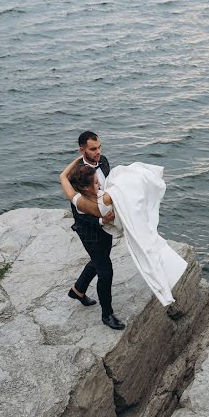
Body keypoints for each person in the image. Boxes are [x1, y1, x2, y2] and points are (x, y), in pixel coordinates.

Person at [58, 131, 125, 330]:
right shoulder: (77, 175)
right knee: (105, 271)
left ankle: (78, 290)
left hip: (106, 225)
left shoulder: (103, 161)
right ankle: (107, 314)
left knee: (99, 259)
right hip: (90, 230)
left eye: (99, 147)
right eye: (93, 149)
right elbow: (79, 212)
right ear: (82, 150)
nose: (98, 152)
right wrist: (100, 221)